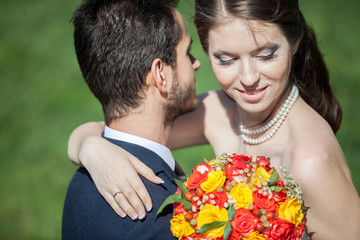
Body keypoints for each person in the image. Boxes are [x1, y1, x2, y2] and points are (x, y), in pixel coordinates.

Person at [67, 0, 360, 239]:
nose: (248, 79)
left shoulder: (311, 162)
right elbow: (130, 129)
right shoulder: (218, 113)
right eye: (227, 59)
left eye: (266, 55)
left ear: (294, 42)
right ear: (206, 52)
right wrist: (91, 149)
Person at [62, 0, 201, 238]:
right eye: (187, 52)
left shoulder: (82, 180)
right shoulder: (161, 219)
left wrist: (87, 142)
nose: (196, 63)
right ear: (160, 75)